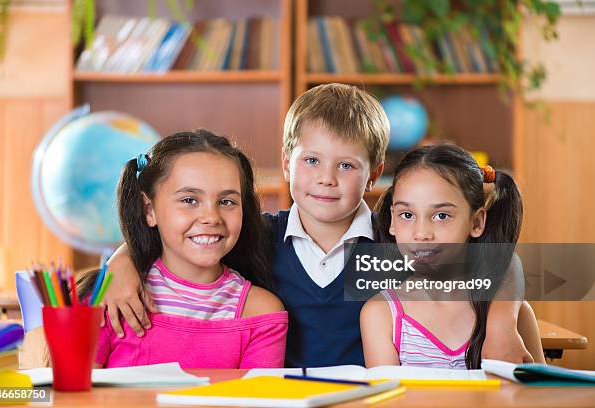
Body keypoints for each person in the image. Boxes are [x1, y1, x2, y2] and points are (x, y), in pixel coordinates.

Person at [101, 84, 534, 368]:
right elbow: (187, 241)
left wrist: (500, 320)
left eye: (346, 165)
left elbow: (503, 263)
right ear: (288, 164)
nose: (326, 178)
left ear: (374, 173)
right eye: (311, 161)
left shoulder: (395, 244)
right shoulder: (260, 238)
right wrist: (125, 260)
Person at [78, 129, 287, 368]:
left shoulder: (261, 313)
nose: (211, 217)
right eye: (189, 200)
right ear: (149, 210)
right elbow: (74, 397)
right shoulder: (113, 298)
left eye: (227, 201)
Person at [360, 143, 545, 368]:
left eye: (442, 215)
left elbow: (538, 395)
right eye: (407, 214)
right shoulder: (381, 315)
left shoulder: (512, 315)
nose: (421, 234)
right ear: (392, 222)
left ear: (476, 222)